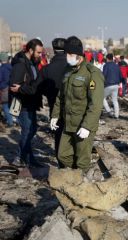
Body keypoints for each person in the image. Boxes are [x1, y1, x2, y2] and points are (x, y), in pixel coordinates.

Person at [50, 36, 104, 171]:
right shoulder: (67, 71)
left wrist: (87, 126)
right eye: (66, 54)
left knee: (82, 160)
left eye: (71, 54)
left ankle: (81, 183)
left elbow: (96, 104)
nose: (68, 57)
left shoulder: (92, 73)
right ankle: (76, 175)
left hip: (83, 124)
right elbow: (60, 96)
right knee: (62, 155)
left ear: (79, 54)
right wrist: (55, 115)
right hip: (68, 123)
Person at [9, 38, 44, 167]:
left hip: (31, 103)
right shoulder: (20, 64)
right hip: (23, 105)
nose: (40, 55)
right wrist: (26, 89)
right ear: (30, 50)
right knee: (28, 131)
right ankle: (20, 157)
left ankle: (28, 158)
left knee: (32, 130)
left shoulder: (32, 63)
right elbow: (14, 86)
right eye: (38, 52)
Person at [40, 38, 68, 163]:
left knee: (57, 132)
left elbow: (40, 88)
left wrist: (51, 95)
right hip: (72, 106)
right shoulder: (71, 67)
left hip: (53, 104)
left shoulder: (46, 69)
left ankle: (59, 157)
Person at [102, 53, 121, 118]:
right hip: (116, 85)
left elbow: (103, 75)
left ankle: (109, 111)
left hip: (108, 85)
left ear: (107, 59)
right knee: (115, 100)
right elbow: (120, 75)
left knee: (101, 97)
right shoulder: (116, 65)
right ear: (112, 58)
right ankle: (117, 115)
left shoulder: (106, 65)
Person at [0, 56, 13, 127]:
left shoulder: (1, 69)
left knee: (5, 106)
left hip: (4, 89)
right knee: (11, 105)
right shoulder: (11, 67)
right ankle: (17, 120)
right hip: (11, 88)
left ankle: (10, 122)